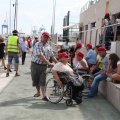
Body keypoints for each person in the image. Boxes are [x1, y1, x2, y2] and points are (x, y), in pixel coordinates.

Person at [31, 32, 58, 101]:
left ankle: (44, 95)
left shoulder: (48, 46)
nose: (46, 38)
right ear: (41, 37)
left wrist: (57, 63)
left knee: (42, 80)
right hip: (35, 64)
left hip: (43, 66)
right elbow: (40, 55)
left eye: (47, 37)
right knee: (35, 79)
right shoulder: (37, 44)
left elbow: (52, 56)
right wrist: (48, 63)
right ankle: (38, 92)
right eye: (45, 37)